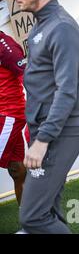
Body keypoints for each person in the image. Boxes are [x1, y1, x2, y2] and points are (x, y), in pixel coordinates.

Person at [10, 0, 79, 234]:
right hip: (46, 129)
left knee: (31, 217)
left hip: (60, 133)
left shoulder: (62, 27)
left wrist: (42, 141)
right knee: (49, 208)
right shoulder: (41, 25)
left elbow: (67, 92)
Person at [0, 31, 27, 206]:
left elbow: (28, 76)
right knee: (17, 170)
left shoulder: (5, 45)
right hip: (6, 117)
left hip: (8, 116)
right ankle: (32, 223)